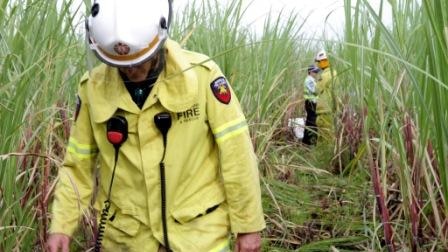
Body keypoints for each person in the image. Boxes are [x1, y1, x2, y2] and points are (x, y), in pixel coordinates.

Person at [47, 0, 265, 251]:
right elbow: (78, 166)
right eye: (120, 65)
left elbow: (237, 155)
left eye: (138, 62)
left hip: (198, 238)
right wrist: (61, 226)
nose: (130, 71)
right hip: (127, 240)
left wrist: (248, 227)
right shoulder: (92, 90)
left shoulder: (203, 77)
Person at [314, 50, 338, 143]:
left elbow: (316, 90)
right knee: (330, 133)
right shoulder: (335, 73)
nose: (318, 65)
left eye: (318, 62)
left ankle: (324, 154)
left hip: (324, 110)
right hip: (332, 109)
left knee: (324, 135)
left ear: (323, 61)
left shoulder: (325, 75)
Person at [302, 65, 321, 146]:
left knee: (309, 121)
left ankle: (306, 141)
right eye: (314, 72)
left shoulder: (311, 80)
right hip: (311, 103)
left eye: (316, 72)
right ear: (310, 72)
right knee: (312, 122)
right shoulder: (309, 80)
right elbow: (315, 91)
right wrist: (321, 85)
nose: (316, 73)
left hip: (310, 103)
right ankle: (311, 141)